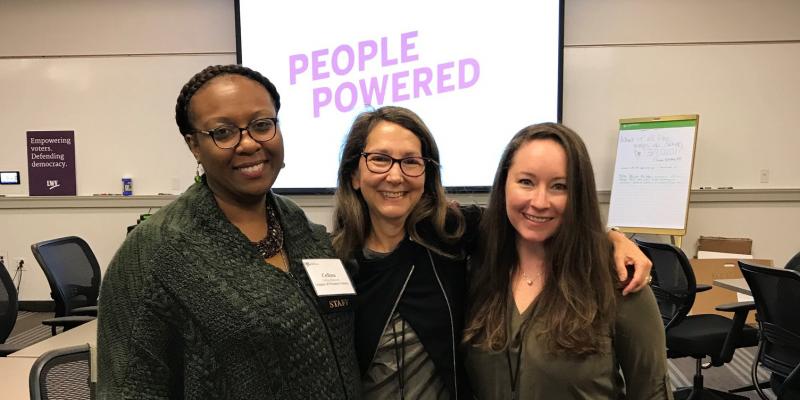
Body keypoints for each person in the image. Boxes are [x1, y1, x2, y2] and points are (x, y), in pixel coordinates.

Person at [332, 107, 654, 400]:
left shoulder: (450, 235)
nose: (395, 175)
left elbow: (527, 218)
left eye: (411, 162)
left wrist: (610, 239)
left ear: (426, 175)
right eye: (379, 159)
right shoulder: (333, 261)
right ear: (354, 175)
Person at [96, 65, 361, 399]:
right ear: (194, 145)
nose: (249, 144)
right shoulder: (154, 254)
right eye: (223, 132)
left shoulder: (300, 227)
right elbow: (128, 389)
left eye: (262, 125)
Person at [463, 123, 671, 399]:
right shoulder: (476, 266)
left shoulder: (616, 278)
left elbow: (652, 390)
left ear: (578, 195)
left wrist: (610, 237)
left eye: (559, 186)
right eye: (526, 182)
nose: (539, 201)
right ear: (503, 185)